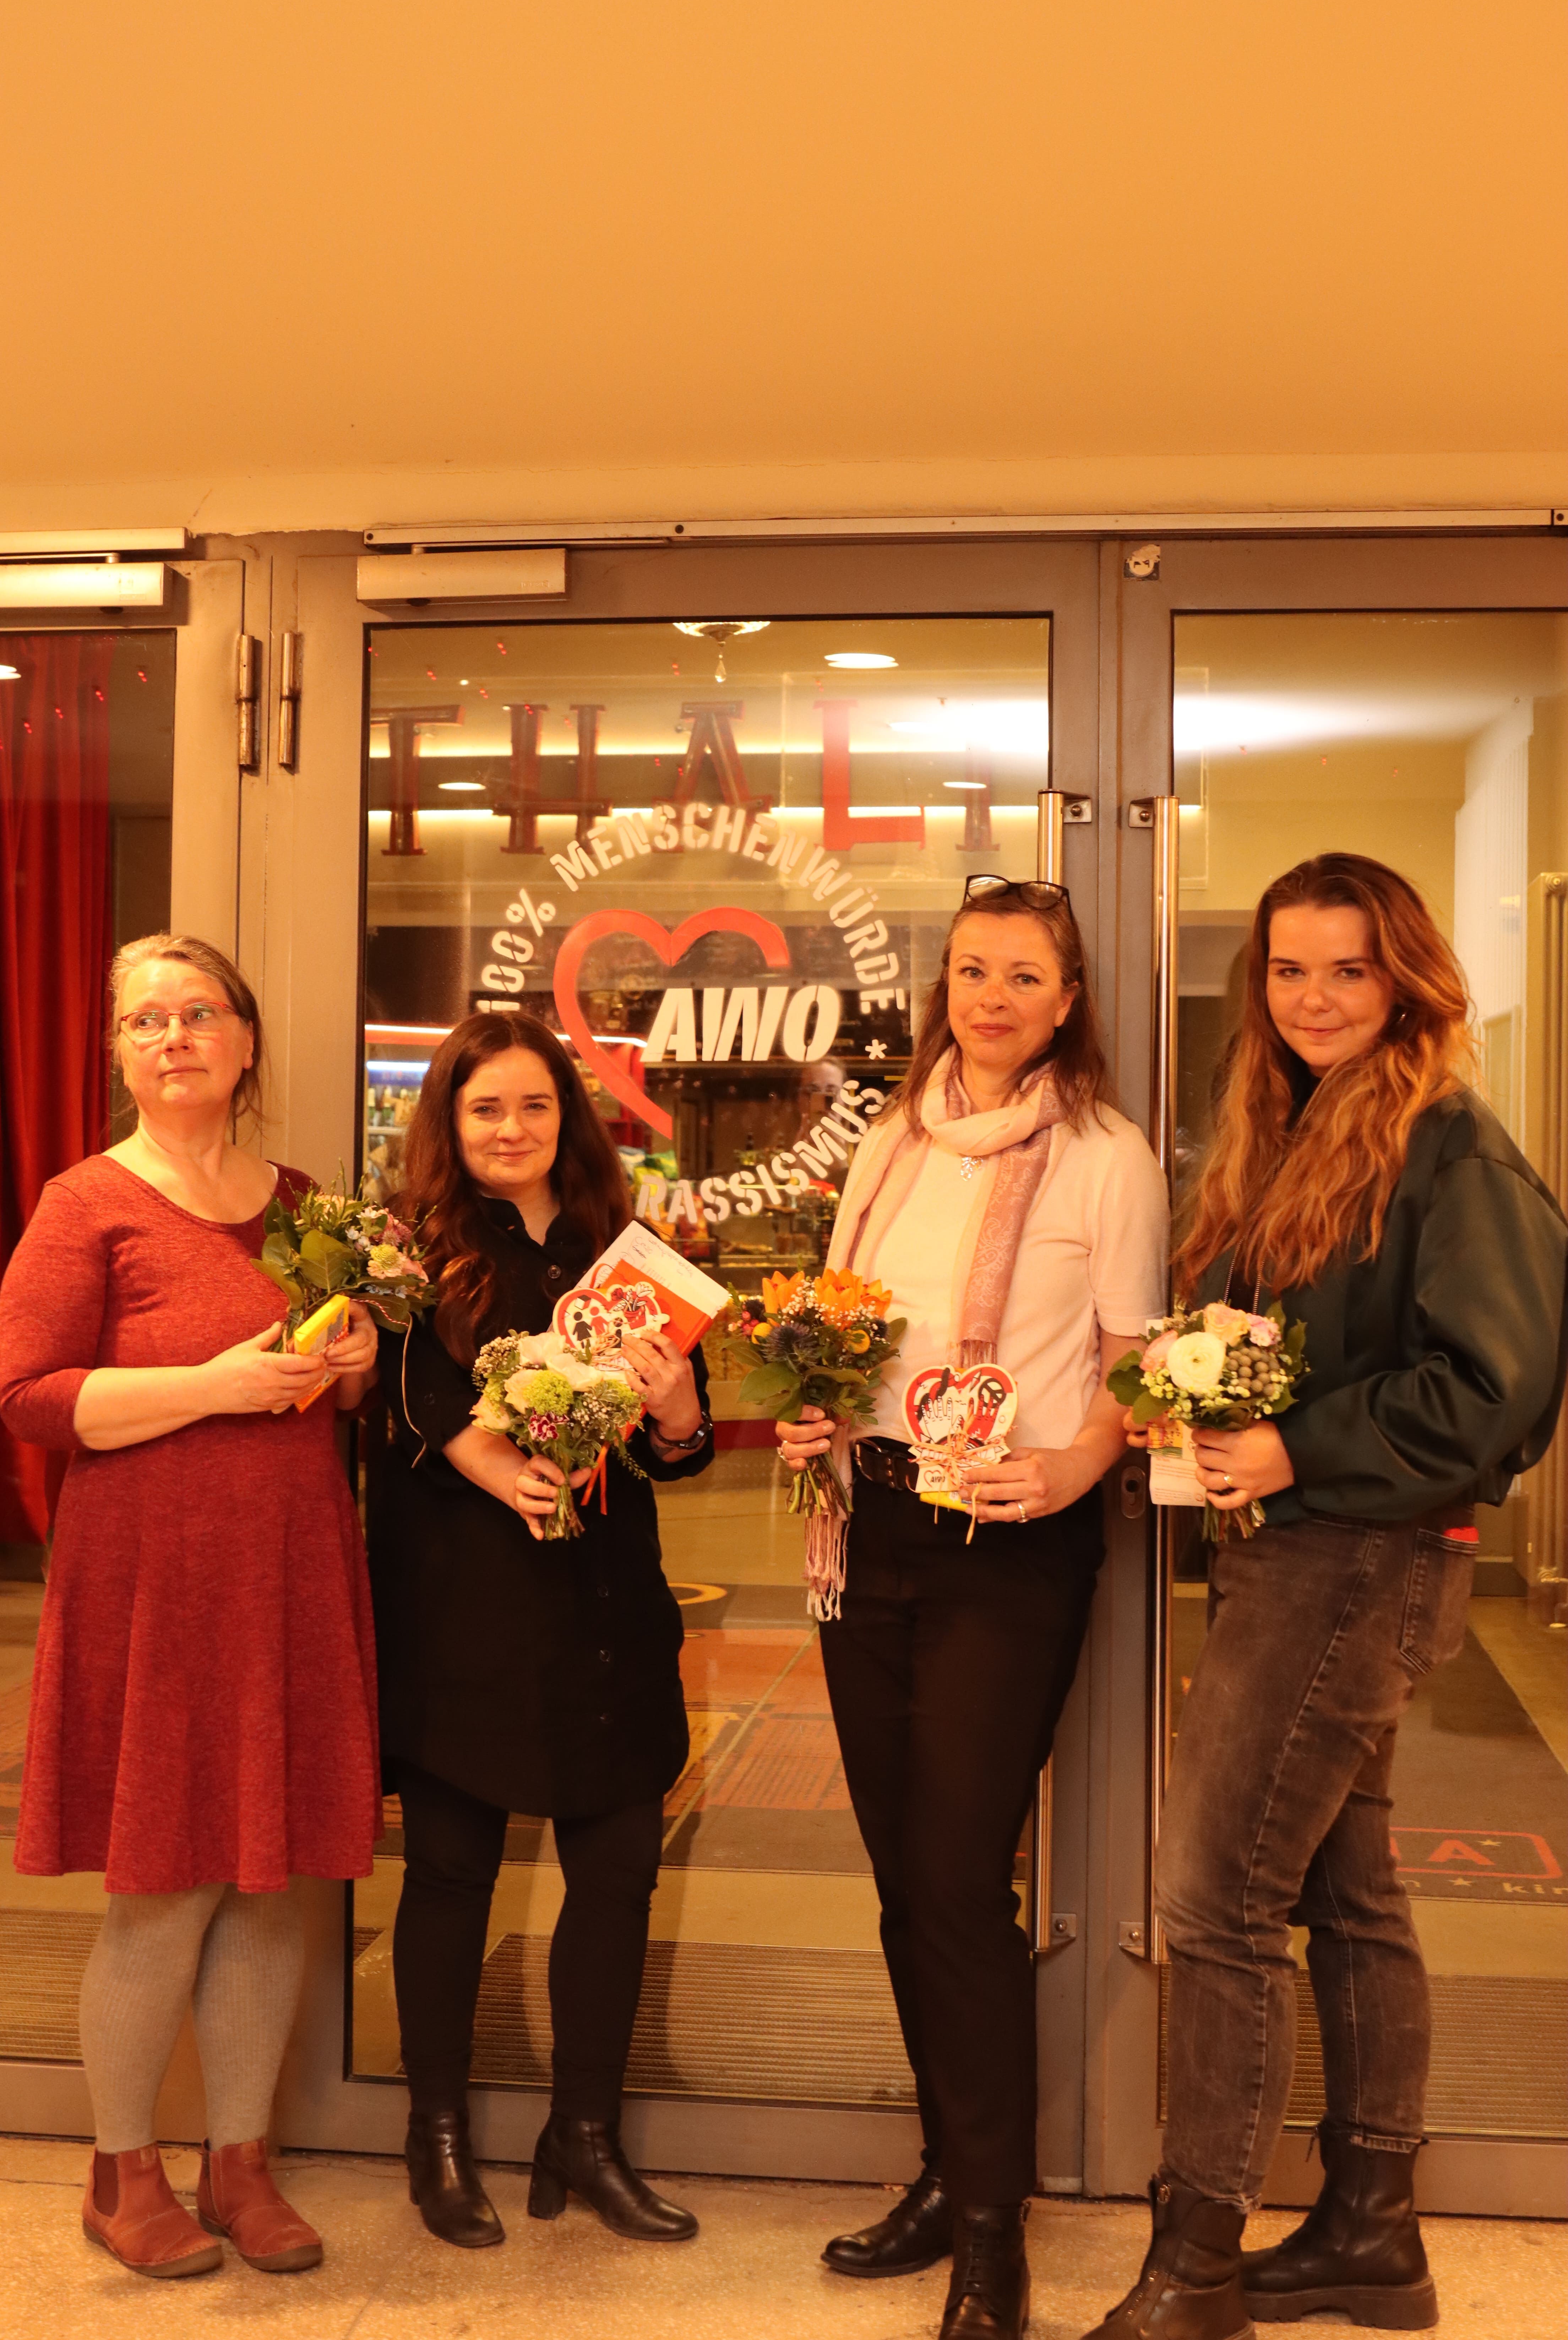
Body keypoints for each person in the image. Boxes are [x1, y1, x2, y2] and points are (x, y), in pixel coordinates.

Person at [1084, 854, 1568, 2340]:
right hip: (1294, 1548)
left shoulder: (1449, 1150)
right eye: (1286, 971)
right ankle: (1372, 2237)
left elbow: (1493, 1392)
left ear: (1404, 977)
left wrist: (1291, 1440)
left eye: (1343, 970)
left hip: (1353, 1557)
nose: (1310, 998)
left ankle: (1195, 2265)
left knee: (1213, 1898)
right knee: (1348, 1899)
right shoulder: (1292, 1136)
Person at [778, 877, 1169, 2340]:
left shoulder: (1105, 1159)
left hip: (1006, 1536)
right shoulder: (888, 1140)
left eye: (1021, 977)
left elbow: (1134, 1362)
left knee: (951, 1878)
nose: (991, 997)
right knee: (906, 1881)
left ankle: (992, 2234)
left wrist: (1073, 1468)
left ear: (1066, 1002)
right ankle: (950, 2171)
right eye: (970, 971)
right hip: (866, 1520)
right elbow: (845, 1324)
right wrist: (813, 1411)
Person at [0, 934, 382, 2280]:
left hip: (289, 1575)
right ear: (118, 1052)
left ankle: (241, 2161)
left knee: (273, 1888)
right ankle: (121, 2171)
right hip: (150, 1588)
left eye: (198, 1012)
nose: (173, 1037)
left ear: (246, 1040)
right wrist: (211, 1387)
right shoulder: (84, 1201)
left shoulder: (303, 1202)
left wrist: (350, 1359)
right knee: (162, 1887)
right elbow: (28, 1399)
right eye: (144, 1019)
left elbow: (332, 1381)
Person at [365, 1009, 713, 2253]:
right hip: (462, 1611)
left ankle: (587, 2136)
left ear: (568, 1117)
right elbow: (397, 1405)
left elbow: (685, 1447)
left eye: (534, 1106)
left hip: (607, 1611)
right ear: (449, 1127)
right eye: (484, 1109)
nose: (512, 1130)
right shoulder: (412, 1257)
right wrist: (484, 1459)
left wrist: (677, 1412)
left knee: (616, 1878)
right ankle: (438, 2135)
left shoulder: (625, 1255)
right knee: (452, 1879)